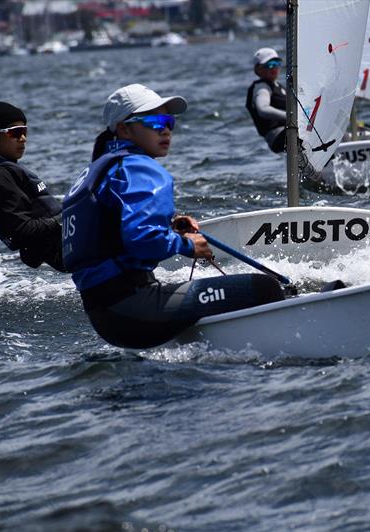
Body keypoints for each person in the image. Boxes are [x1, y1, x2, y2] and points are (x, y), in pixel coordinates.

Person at [63, 84, 285, 349]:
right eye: (154, 121)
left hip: (104, 317)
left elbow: (112, 232)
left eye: (168, 121)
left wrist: (170, 225)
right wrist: (188, 245)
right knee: (265, 288)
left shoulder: (98, 170)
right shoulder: (140, 167)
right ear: (124, 129)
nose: (165, 129)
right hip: (136, 308)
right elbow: (143, 240)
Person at [0, 101, 66, 271]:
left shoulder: (5, 170)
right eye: (15, 133)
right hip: (66, 249)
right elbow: (23, 230)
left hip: (68, 241)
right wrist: (67, 217)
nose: (23, 138)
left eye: (24, 131)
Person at [246, 47, 288, 153]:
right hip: (278, 137)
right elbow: (263, 109)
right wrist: (291, 117)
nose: (274, 68)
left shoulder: (280, 87)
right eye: (269, 65)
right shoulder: (262, 87)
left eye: (276, 63)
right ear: (258, 70)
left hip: (290, 132)